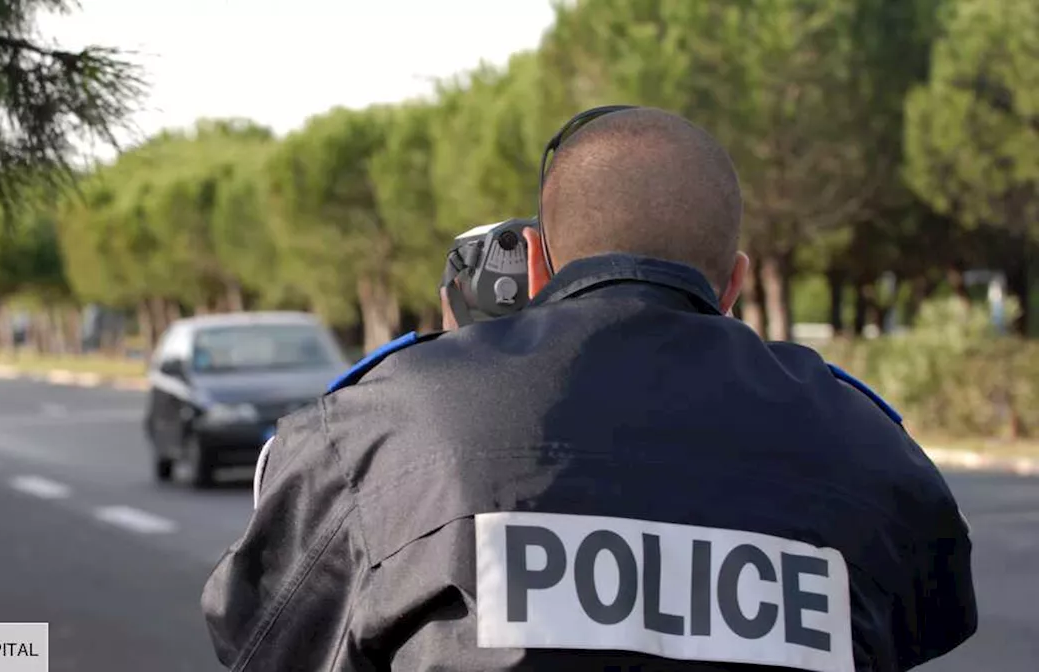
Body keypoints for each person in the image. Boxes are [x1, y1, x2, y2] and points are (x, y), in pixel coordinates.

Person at [201, 106, 977, 671]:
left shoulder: (391, 424)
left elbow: (262, 635)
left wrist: (439, 373)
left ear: (536, 267)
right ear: (735, 284)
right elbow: (923, 618)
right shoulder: (866, 445)